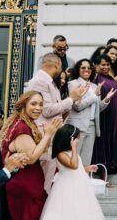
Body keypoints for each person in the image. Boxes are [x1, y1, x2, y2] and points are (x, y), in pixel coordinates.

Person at [30, 124, 113, 220]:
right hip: (67, 189)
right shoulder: (61, 153)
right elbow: (73, 165)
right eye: (76, 139)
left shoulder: (69, 153)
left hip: (78, 186)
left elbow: (76, 168)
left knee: (79, 218)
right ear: (70, 139)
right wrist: (74, 148)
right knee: (68, 219)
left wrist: (87, 169)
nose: (78, 141)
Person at [0, 90, 57, 220]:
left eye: (40, 104)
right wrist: (48, 134)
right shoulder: (22, 128)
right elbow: (32, 157)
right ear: (23, 104)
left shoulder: (18, 123)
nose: (38, 108)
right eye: (33, 104)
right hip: (22, 189)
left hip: (25, 187)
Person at [25, 52, 85, 189]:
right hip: (45, 136)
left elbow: (57, 111)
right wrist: (71, 98)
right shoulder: (40, 81)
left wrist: (74, 100)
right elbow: (47, 110)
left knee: (51, 179)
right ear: (57, 64)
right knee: (46, 182)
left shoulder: (50, 82)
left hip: (53, 137)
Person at [67, 58, 116, 167]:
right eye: (83, 67)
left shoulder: (94, 86)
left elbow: (97, 109)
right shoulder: (73, 84)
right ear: (78, 70)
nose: (86, 70)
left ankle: (84, 182)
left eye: (89, 68)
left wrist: (106, 100)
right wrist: (94, 95)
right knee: (75, 158)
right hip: (78, 126)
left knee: (86, 160)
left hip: (92, 126)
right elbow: (77, 106)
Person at [92, 54, 117, 175]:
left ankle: (114, 163)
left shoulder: (109, 78)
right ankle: (104, 168)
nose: (105, 67)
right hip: (105, 115)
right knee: (105, 138)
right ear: (96, 66)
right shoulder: (96, 79)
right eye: (103, 65)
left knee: (116, 137)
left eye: (107, 64)